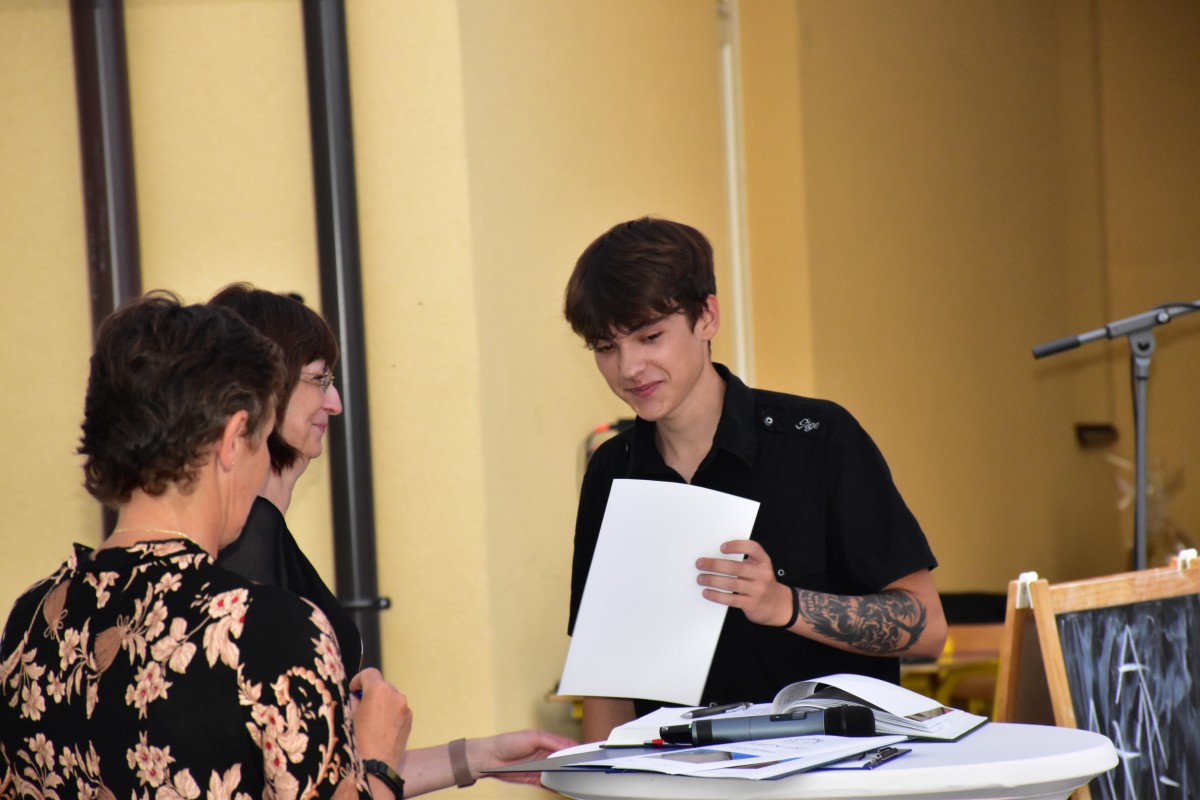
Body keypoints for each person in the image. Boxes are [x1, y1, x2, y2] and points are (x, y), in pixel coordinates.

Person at [0, 294, 409, 799]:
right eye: (261, 437)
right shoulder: (270, 630)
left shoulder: (32, 619)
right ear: (233, 440)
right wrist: (378, 761)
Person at [563, 217, 948, 742]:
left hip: (833, 769)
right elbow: (607, 679)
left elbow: (926, 627)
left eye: (650, 336)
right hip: (677, 772)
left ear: (707, 316)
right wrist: (598, 774)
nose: (629, 367)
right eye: (605, 348)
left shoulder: (819, 437)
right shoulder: (610, 470)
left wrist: (783, 604)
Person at [209, 283, 575, 793]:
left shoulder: (264, 535)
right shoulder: (248, 544)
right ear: (265, 389)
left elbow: (329, 769)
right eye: (319, 379)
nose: (335, 403)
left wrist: (480, 757)